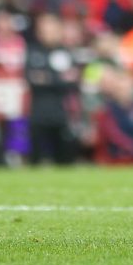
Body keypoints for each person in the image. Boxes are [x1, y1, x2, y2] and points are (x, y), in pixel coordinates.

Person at [24, 13, 80, 165]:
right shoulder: (33, 51)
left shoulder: (66, 52)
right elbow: (31, 79)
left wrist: (47, 78)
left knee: (65, 160)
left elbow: (74, 81)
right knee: (36, 160)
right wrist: (59, 78)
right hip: (38, 114)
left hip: (61, 114)